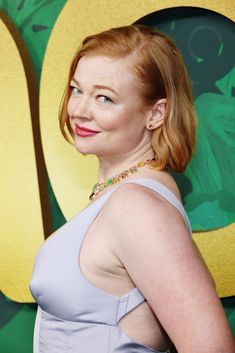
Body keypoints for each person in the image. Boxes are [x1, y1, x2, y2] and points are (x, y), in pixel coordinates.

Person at [29, 24, 235, 353]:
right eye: (76, 89)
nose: (79, 110)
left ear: (155, 113)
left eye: (104, 98)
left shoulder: (136, 207)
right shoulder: (123, 193)